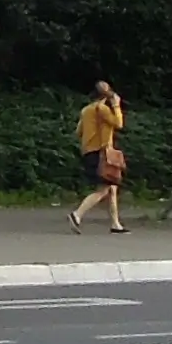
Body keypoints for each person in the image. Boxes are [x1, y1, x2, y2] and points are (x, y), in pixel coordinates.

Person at [69, 78, 129, 234]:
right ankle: (77, 214)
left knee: (112, 187)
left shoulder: (86, 110)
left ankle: (115, 224)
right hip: (102, 152)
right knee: (103, 189)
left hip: (88, 151)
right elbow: (118, 123)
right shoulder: (102, 109)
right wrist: (116, 105)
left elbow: (78, 131)